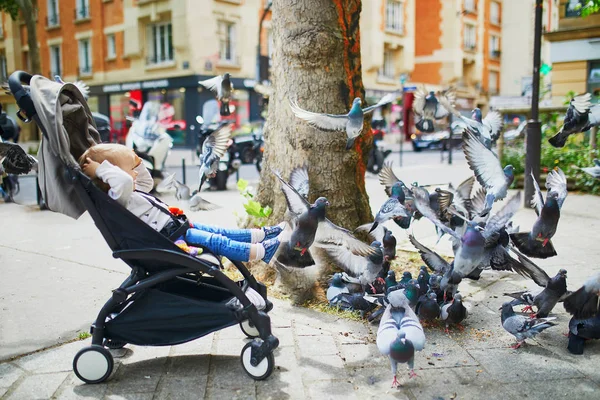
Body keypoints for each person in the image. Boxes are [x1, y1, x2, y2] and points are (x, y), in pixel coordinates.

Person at [78, 143, 282, 263]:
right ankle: (262, 252)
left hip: (178, 225)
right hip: (171, 235)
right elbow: (122, 180)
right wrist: (100, 169)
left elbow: (147, 182)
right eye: (129, 169)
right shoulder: (118, 197)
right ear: (109, 178)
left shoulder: (129, 191)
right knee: (217, 242)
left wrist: (136, 162)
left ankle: (262, 235)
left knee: (220, 232)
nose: (134, 174)